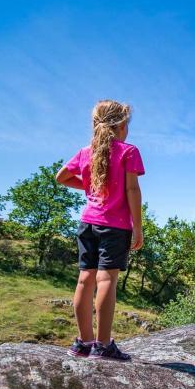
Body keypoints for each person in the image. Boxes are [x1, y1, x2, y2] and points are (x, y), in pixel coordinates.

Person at [56, 99, 145, 361]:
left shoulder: (86, 152)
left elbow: (61, 176)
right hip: (114, 226)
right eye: (126, 124)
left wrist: (90, 185)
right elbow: (131, 190)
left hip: (87, 223)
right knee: (106, 280)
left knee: (85, 279)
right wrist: (137, 228)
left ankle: (84, 343)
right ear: (120, 126)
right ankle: (103, 346)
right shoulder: (128, 152)